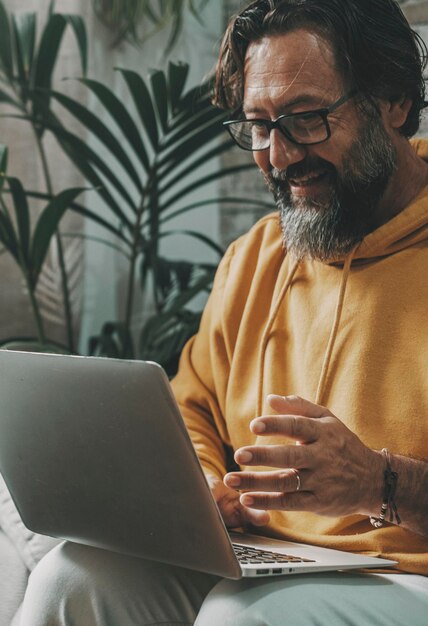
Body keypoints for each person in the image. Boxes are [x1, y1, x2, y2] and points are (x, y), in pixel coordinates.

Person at [19, 1, 428, 624]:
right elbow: (193, 407)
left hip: (410, 573)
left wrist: (380, 483)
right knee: (71, 579)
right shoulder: (257, 256)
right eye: (259, 125)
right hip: (272, 558)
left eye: (307, 118)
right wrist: (206, 485)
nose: (279, 155)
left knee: (243, 619)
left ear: (394, 101)